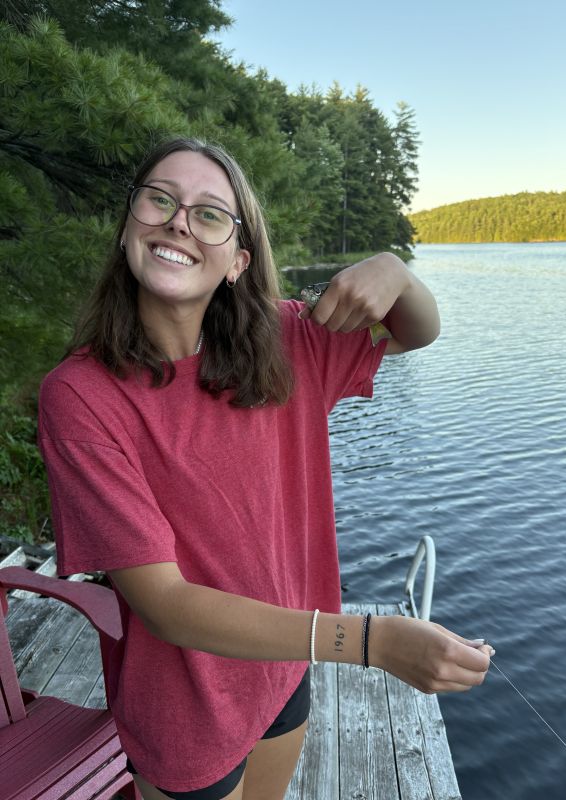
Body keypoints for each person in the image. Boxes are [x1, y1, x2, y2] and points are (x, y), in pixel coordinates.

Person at [38, 137, 492, 800]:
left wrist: (398, 271)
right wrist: (373, 641)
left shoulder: (290, 341)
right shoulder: (82, 395)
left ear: (237, 260)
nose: (178, 222)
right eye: (159, 199)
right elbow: (164, 604)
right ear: (128, 227)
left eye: (209, 214)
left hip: (282, 667)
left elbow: (418, 331)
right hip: (186, 708)